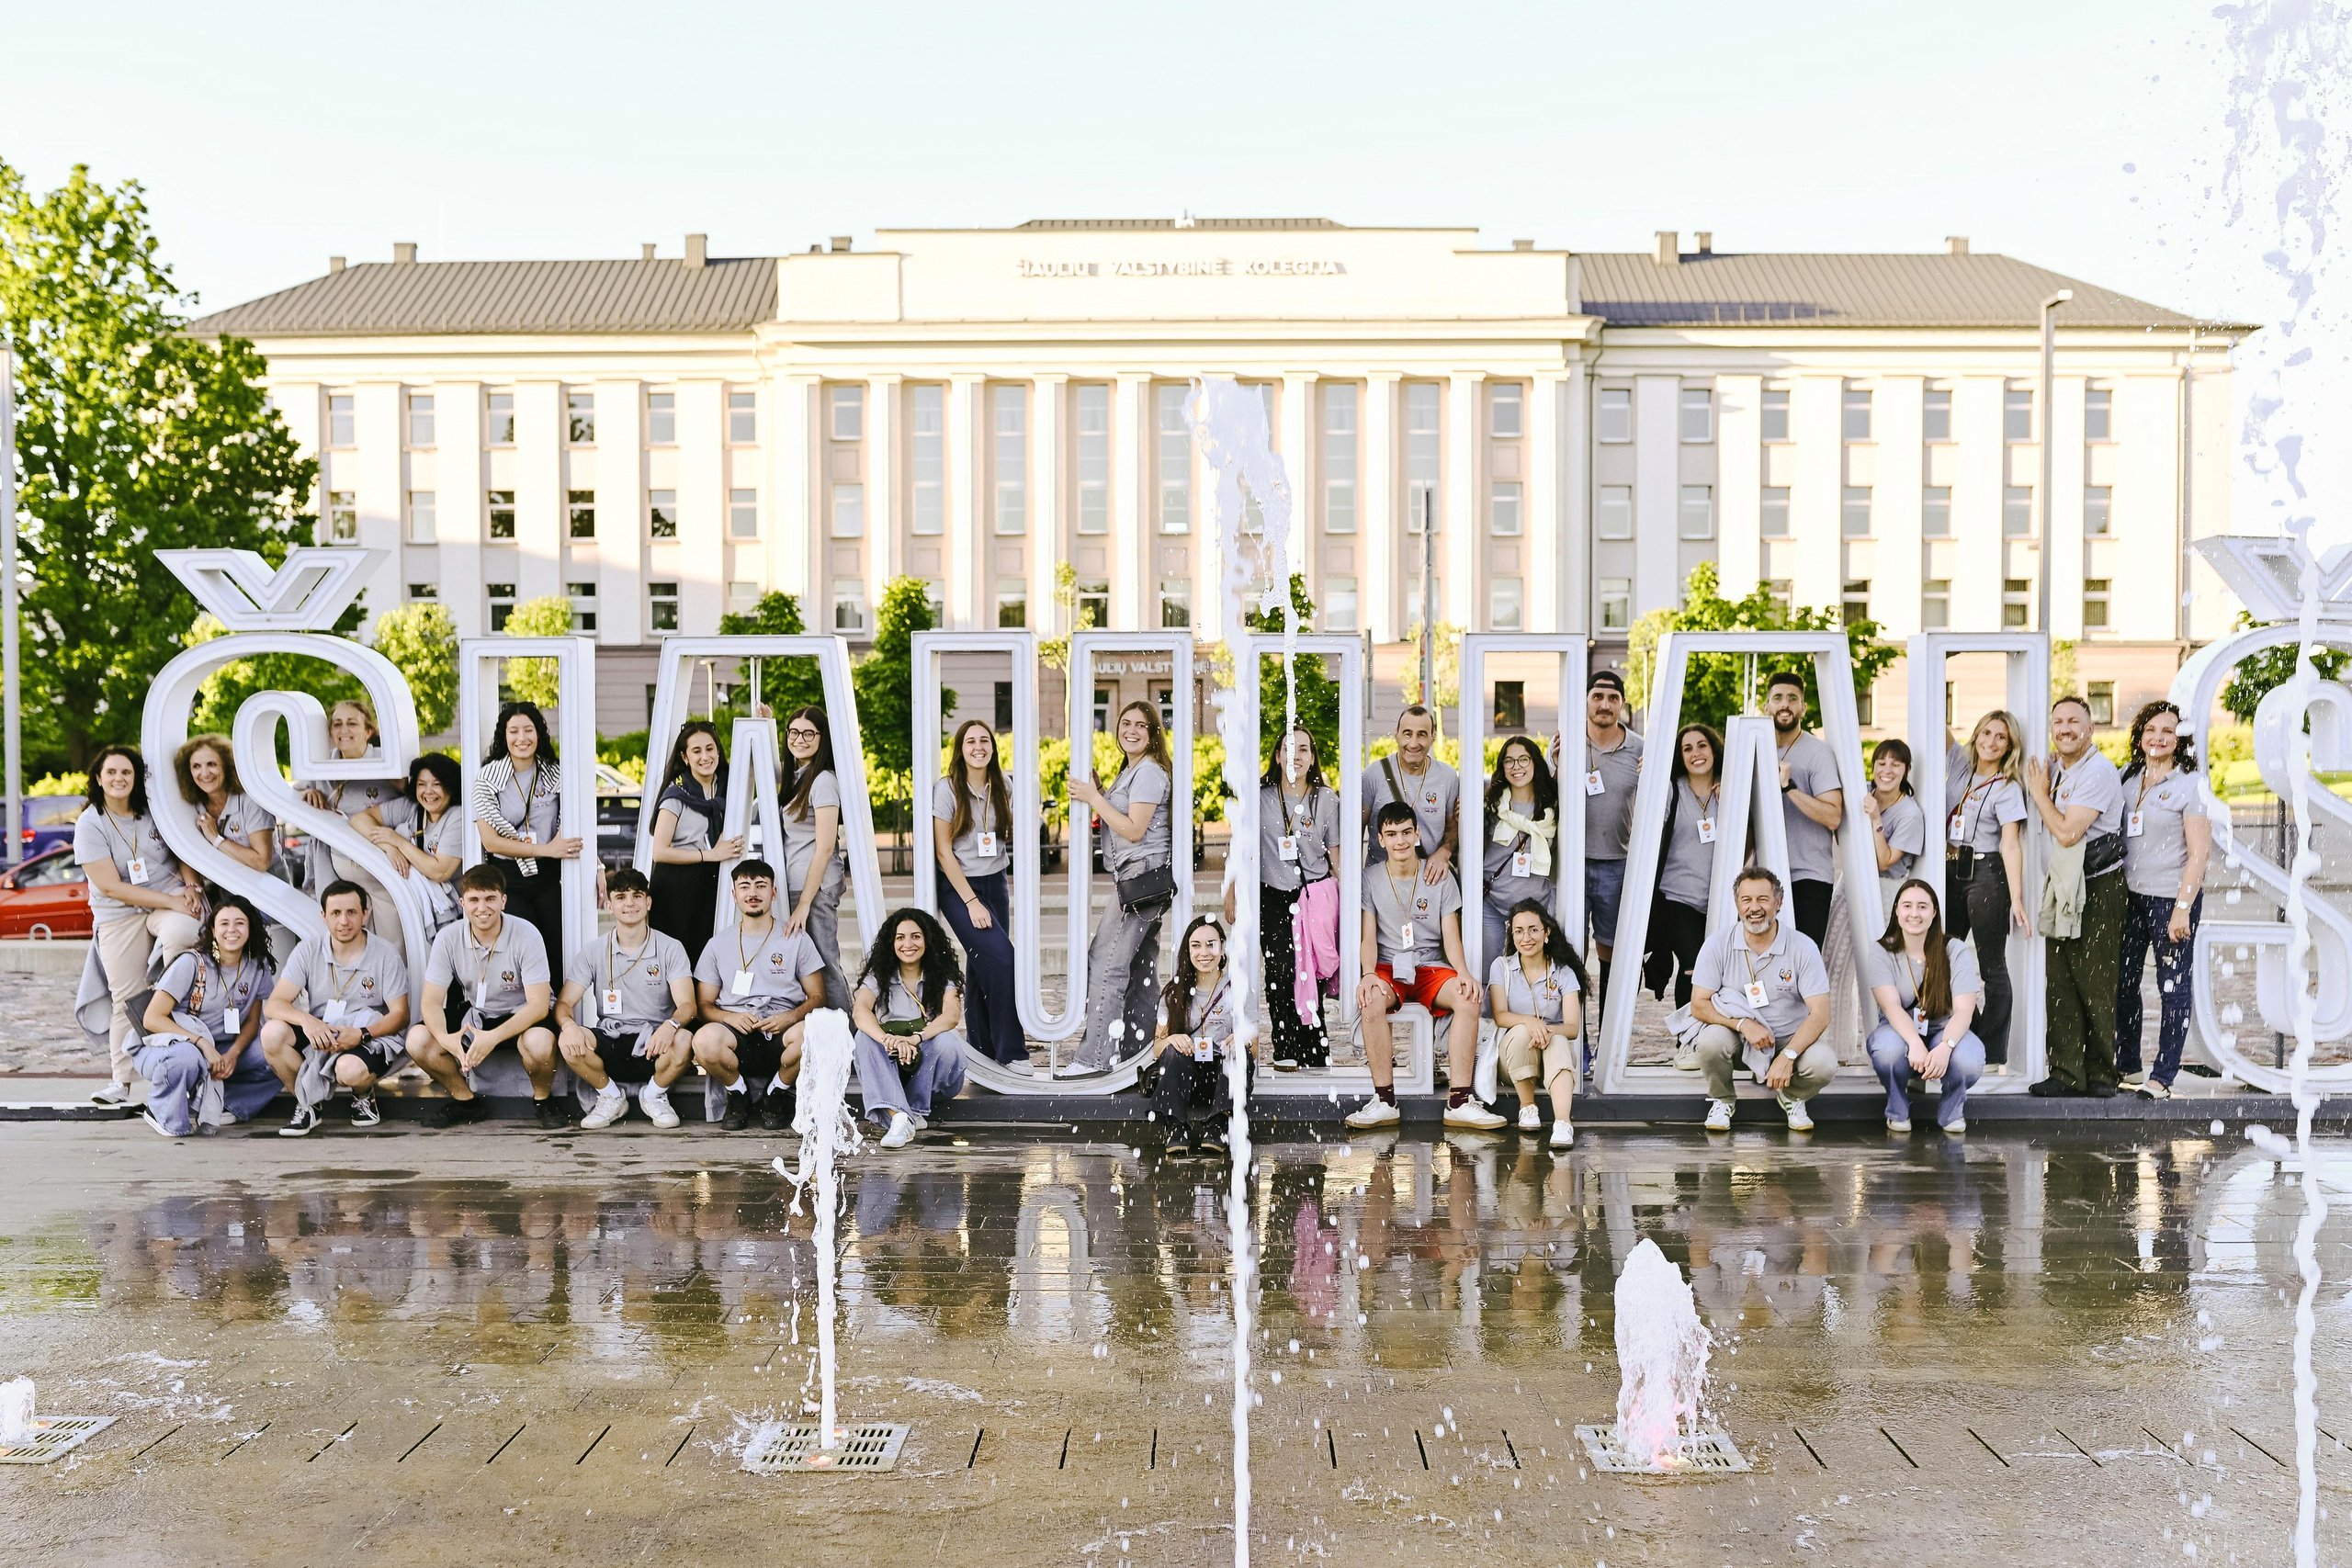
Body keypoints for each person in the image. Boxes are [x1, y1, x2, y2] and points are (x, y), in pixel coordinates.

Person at [1343, 801, 1504, 1131]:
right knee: (1370, 997)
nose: (1400, 840)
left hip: (1430, 966)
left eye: (1406, 832)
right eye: (1391, 834)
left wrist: (1462, 972)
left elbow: (1450, 934)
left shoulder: (1438, 876)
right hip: (1388, 966)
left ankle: (1459, 1100)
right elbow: (1368, 935)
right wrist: (1368, 974)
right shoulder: (1370, 878)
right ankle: (1385, 1101)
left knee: (1468, 996)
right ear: (1380, 839)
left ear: (1417, 834)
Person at [75, 745, 203, 1106]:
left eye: (126, 772)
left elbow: (182, 854)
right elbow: (111, 886)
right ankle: (122, 1083)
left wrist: (191, 888)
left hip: (168, 898)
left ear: (136, 778)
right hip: (119, 912)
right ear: (98, 779)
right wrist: (171, 900)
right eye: (111, 772)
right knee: (126, 998)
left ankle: (170, 997)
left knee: (182, 932)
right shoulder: (90, 823)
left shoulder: (155, 811)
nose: (119, 779)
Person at [2025, 694, 2128, 1098]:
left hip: (2098, 887)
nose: (2065, 729)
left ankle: (2102, 1074)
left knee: (2096, 981)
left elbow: (2068, 831)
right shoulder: (2062, 770)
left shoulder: (2098, 771)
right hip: (2064, 887)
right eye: (2058, 723)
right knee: (2062, 983)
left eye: (2073, 722)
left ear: (2091, 728)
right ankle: (2067, 1073)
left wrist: (2039, 794)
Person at [1067, 699, 1175, 1076]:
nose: (1131, 730)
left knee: (1106, 964)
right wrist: (1102, 790)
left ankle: (1095, 1058)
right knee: (1141, 968)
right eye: (1125, 723)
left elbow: (1133, 828)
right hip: (1141, 878)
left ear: (1153, 734)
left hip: (1139, 880)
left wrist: (1094, 798)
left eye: (1141, 726)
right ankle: (1137, 1054)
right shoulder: (1132, 769)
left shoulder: (1147, 772)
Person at [405, 864, 560, 1128]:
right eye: (474, 900)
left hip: (521, 1014)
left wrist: (493, 1038)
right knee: (418, 1040)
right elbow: (430, 1001)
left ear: (503, 900)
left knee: (540, 1041)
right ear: (462, 902)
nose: (482, 907)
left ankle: (543, 1101)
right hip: (477, 1015)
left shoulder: (527, 934)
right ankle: (467, 1102)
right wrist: (446, 1039)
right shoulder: (448, 937)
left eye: (490, 898)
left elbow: (539, 1006)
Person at [2114, 701, 2214, 1099]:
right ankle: (2129, 1066)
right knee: (2123, 983)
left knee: (2172, 986)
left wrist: (2182, 908)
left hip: (2169, 901)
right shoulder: (2127, 776)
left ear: (2180, 739)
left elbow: (2199, 854)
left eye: (2168, 731)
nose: (2158, 737)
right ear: (2140, 735)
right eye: (2151, 729)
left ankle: (2163, 1075)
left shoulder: (2190, 785)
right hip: (2129, 898)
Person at [260, 881, 413, 1136]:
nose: (344, 921)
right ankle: (308, 1102)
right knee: (272, 1034)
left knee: (349, 1071)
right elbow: (275, 1004)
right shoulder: (308, 949)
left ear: (366, 913)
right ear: (324, 917)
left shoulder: (385, 954)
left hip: (365, 1035)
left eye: (352, 912)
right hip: (322, 1032)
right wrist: (307, 1021)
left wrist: (362, 1033)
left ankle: (363, 1095)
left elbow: (401, 1015)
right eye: (336, 913)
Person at [1688, 867, 1835, 1134]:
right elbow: (1699, 1003)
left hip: (1789, 1040)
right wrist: (1743, 1023)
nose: (1754, 908)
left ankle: (1793, 1097)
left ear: (1778, 903)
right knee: (1709, 1042)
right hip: (1739, 1038)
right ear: (1737, 904)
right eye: (1746, 900)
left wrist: (1788, 1055)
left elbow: (1821, 1013)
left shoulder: (1803, 947)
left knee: (1824, 1064)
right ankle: (1722, 1100)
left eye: (1763, 899)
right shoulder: (1716, 944)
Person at [555, 866, 696, 1131]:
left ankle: (654, 1095)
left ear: (648, 902)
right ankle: (610, 1096)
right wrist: (570, 1026)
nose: (629, 903)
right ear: (609, 905)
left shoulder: (670, 947)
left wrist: (671, 1025)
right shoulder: (594, 950)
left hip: (654, 1042)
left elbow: (688, 1004)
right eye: (620, 897)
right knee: (567, 1040)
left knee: (685, 1038)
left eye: (637, 895)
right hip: (612, 1038)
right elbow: (564, 1004)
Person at [692, 859, 828, 1132]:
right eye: (744, 886)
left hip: (782, 1032)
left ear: (773, 893)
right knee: (704, 1040)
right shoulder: (718, 944)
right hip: (736, 1035)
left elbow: (818, 997)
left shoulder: (796, 938)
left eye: (760, 885)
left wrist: (789, 1017)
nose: (752, 893)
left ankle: (776, 1092)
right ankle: (737, 1093)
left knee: (814, 1034)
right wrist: (730, 1017)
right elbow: (704, 1005)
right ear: (734, 895)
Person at [1234, 726, 1341, 1070]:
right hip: (1272, 896)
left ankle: (1315, 1051)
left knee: (1310, 974)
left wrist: (1352, 904)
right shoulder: (1261, 796)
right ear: (1277, 756)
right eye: (1289, 749)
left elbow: (1336, 856)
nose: (1296, 756)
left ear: (1313, 758)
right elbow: (1242, 848)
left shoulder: (1326, 799)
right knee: (1279, 971)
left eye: (1304, 750)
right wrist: (1232, 891)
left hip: (1312, 896)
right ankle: (1285, 1048)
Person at [134, 895, 279, 1138]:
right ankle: (161, 1111)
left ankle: (225, 1102)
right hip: (175, 1047)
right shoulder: (192, 963)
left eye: (239, 923)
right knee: (186, 1059)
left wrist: (233, 1055)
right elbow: (152, 1019)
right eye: (224, 923)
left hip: (223, 1047)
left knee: (277, 1051)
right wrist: (201, 1044)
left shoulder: (257, 966)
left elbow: (253, 1022)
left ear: (251, 927)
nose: (231, 930)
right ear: (213, 929)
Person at [933, 718, 1023, 1068]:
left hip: (995, 881)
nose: (978, 747)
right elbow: (943, 850)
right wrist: (970, 901)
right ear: (960, 749)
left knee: (982, 962)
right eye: (970, 742)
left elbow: (1008, 834)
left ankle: (983, 1050)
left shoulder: (1004, 786)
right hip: (960, 886)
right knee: (1003, 960)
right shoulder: (947, 789)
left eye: (984, 740)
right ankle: (1012, 1052)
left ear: (993, 748)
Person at [1863, 878, 1985, 1134]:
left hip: (1945, 1029)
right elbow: (1891, 1006)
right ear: (1897, 911)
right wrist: (1916, 1043)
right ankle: (1897, 1109)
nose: (1914, 914)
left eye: (1922, 906)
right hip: (1899, 1029)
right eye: (1907, 906)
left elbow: (1964, 1010)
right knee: (1887, 1050)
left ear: (1934, 912)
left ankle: (1952, 1111)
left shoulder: (1954, 950)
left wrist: (1945, 1047)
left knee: (1970, 1059)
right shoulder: (1881, 951)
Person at [1946, 710, 2030, 1073]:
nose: (1992, 742)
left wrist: (2016, 897)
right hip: (1950, 868)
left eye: (2001, 737)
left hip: (1986, 872)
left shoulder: (2007, 786)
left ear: (2009, 746)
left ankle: (1993, 1053)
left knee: (1991, 966)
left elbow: (2011, 845)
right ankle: (1975, 1032)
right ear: (1976, 734)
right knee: (1939, 956)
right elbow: (1938, 721)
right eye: (1987, 733)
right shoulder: (1960, 766)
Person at [469, 700, 578, 976]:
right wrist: (548, 850)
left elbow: (573, 827)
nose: (521, 738)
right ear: (503, 736)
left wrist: (597, 866)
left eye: (528, 730)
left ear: (538, 733)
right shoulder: (487, 778)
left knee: (558, 949)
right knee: (525, 948)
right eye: (513, 731)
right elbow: (490, 841)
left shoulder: (556, 772)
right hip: (509, 877)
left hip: (550, 877)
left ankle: (555, 1014)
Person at [850, 908, 970, 1150]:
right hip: (893, 1070)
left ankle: (912, 1109)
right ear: (891, 942)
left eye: (916, 936)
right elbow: (860, 1010)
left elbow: (951, 1016)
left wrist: (917, 1038)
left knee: (946, 1041)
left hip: (935, 1077)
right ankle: (900, 1117)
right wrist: (886, 1039)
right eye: (900, 937)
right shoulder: (879, 976)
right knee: (863, 1037)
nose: (908, 944)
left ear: (927, 940)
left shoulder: (942, 975)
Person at [297, 698, 403, 939]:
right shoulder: (320, 764)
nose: (343, 730)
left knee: (391, 941)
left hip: (381, 867)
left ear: (368, 731)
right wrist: (307, 792)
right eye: (337, 724)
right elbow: (294, 791)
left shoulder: (387, 762)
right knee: (344, 939)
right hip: (337, 864)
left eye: (352, 723)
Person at [1488, 897, 1587, 1149]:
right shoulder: (1502, 967)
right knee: (1522, 1032)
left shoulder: (1563, 973)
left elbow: (1573, 1028)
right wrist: (1529, 1022)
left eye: (1533, 930)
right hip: (1513, 1061)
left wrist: (1545, 1031)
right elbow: (1500, 1015)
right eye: (1519, 931)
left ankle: (1563, 1123)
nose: (1526, 938)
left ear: (1546, 933)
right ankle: (1527, 1106)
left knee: (1558, 1041)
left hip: (1552, 1058)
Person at [1570, 671, 1643, 1007]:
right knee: (1571, 950)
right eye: (1597, 697)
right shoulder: (1565, 744)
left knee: (1611, 949)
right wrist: (1555, 766)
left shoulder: (1640, 749)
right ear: (1586, 701)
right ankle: (1577, 1043)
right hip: (1571, 864)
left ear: (1622, 704)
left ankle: (1608, 1039)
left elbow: (1665, 804)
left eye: (1613, 698)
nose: (1604, 704)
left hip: (1618, 864)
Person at [1148, 916, 1247, 1159]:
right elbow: (1157, 1047)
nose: (1204, 952)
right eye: (1196, 945)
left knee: (1239, 1055)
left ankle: (1218, 1126)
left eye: (1211, 944)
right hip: (1186, 1080)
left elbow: (1254, 1049)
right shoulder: (1173, 993)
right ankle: (1175, 1127)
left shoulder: (1238, 989)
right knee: (1172, 1052)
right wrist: (1171, 1039)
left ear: (1222, 948)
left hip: (1221, 1082)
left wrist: (1241, 1039)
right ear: (1187, 950)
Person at [778, 705, 854, 1017]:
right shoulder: (797, 776)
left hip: (815, 888)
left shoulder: (822, 780)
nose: (800, 738)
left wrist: (805, 903)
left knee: (824, 962)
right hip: (798, 883)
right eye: (794, 732)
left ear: (822, 738)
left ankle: (850, 1042)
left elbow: (824, 847)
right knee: (807, 966)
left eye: (809, 733)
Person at [647, 720, 742, 964]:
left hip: (712, 882)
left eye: (710, 749)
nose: (705, 756)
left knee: (709, 957)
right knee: (679, 959)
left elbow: (765, 768)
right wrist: (709, 854)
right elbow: (659, 852)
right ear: (685, 757)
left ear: (718, 751)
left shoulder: (727, 788)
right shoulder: (676, 795)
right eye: (696, 751)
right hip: (676, 886)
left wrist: (763, 723)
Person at [1763, 671, 1844, 945]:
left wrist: (1789, 788)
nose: (1784, 704)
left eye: (1792, 698)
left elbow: (1833, 816)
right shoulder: (1755, 750)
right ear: (1766, 706)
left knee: (1806, 961)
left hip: (1809, 877)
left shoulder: (1818, 752)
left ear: (1803, 707)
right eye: (1777, 698)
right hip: (1763, 877)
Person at [1651, 723, 1724, 1023]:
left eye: (1702, 745)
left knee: (1719, 970)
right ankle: (1687, 1039)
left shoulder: (1730, 788)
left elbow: (1750, 842)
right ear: (1680, 757)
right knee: (1694, 966)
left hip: (1720, 899)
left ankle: (1716, 1036)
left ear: (1714, 749)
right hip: (1677, 897)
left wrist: (1731, 801)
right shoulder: (1672, 791)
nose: (1696, 753)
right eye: (1687, 748)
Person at [356, 752, 465, 940]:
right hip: (414, 902)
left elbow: (440, 871)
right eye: (421, 784)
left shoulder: (458, 816)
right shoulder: (412, 808)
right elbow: (359, 820)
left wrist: (398, 841)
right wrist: (389, 847)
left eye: (437, 784)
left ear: (451, 786)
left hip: (456, 913)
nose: (428, 791)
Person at [1479, 736, 1559, 974]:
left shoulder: (1553, 805)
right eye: (1509, 761)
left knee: (1532, 975)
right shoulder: (1490, 804)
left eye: (1523, 759)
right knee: (1489, 973)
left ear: (1534, 762)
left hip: (1536, 909)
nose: (1517, 767)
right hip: (1492, 905)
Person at [1362, 705, 1459, 883]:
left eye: (1421, 734)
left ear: (1433, 737)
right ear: (1396, 734)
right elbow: (1355, 831)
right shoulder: (1373, 775)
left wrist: (1443, 853)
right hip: (1380, 883)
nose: (1413, 743)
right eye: (1407, 734)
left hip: (1428, 881)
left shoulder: (1448, 777)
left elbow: (1453, 829)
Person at [173, 734, 277, 878]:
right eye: (196, 766)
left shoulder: (251, 801)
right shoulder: (193, 806)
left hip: (267, 887)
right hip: (226, 888)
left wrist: (216, 839)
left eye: (212, 764)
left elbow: (261, 862)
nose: (204, 773)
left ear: (227, 766)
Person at [1860, 738, 1927, 911]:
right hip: (1853, 884)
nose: (1887, 771)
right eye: (1881, 763)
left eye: (1896, 765)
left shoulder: (1910, 814)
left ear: (1907, 770)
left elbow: (1885, 862)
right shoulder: (1862, 792)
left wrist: (1876, 820)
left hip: (1885, 891)